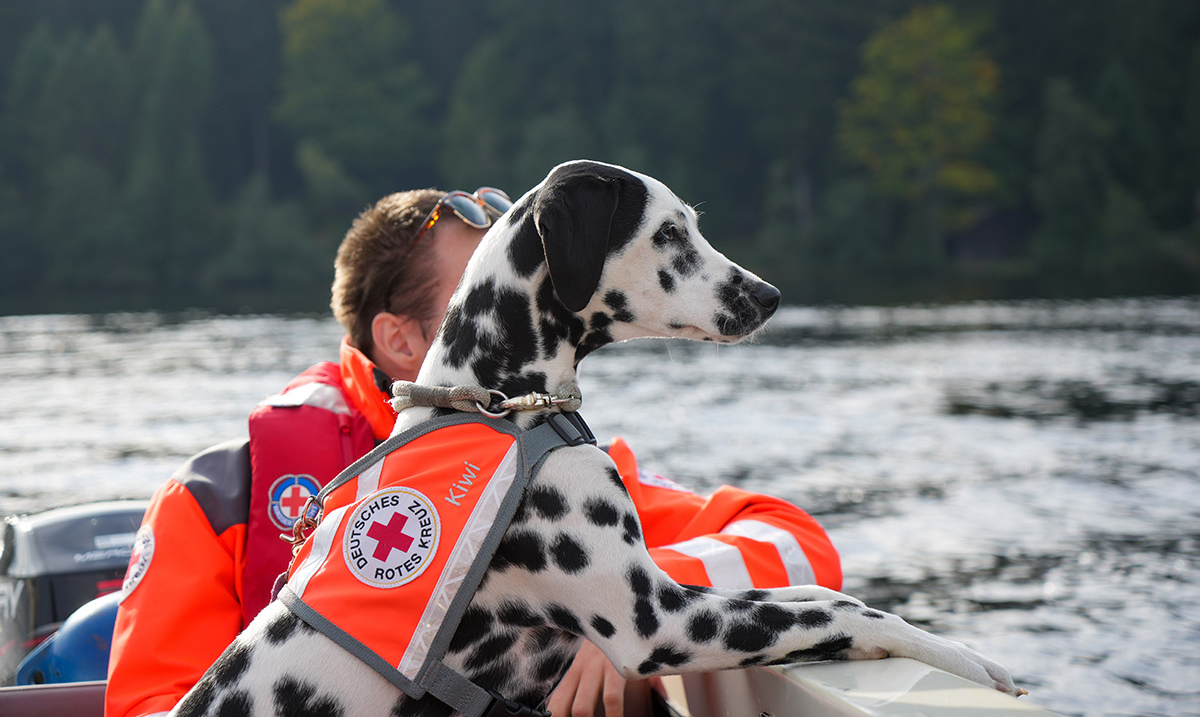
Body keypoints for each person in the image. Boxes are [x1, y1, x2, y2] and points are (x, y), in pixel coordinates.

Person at [105, 187, 842, 717]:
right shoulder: (210, 501)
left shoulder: (555, 483)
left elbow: (799, 542)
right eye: (480, 290)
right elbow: (152, 707)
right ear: (401, 339)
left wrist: (633, 604)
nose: (527, 299)